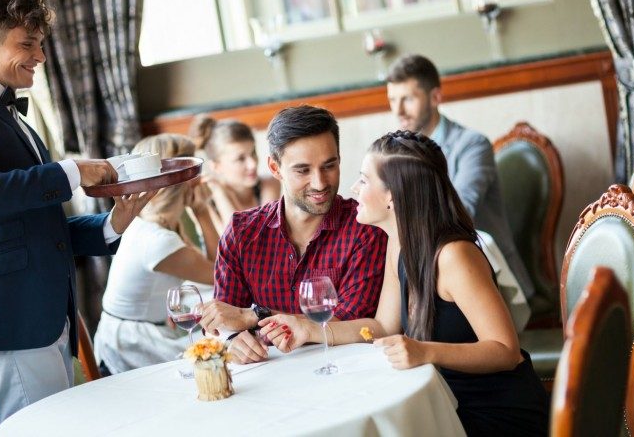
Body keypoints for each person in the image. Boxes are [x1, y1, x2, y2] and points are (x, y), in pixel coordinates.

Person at [0, 0, 155, 423]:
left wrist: (114, 223)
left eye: (40, 44)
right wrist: (74, 171)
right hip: (12, 322)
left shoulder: (17, 122)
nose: (40, 57)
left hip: (47, 318)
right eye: (27, 44)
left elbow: (41, 230)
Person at [259, 131, 549, 436]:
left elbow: (506, 350)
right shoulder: (398, 243)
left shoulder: (454, 256)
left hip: (495, 414)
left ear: (392, 196)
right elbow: (383, 326)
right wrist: (309, 329)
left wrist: (425, 351)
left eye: (365, 180)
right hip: (445, 402)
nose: (355, 189)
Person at [199, 105, 387, 364]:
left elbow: (352, 325)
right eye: (303, 170)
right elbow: (223, 318)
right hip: (267, 378)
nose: (320, 183)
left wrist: (253, 316)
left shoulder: (365, 230)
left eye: (329, 165)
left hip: (343, 373)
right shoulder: (241, 232)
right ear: (275, 168)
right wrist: (232, 340)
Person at [385, 54, 535, 300]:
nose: (398, 110)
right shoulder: (395, 154)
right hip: (430, 277)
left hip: (493, 281)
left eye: (408, 99)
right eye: (392, 99)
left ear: (436, 97)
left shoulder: (473, 144)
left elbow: (462, 209)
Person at [94, 134, 218, 374]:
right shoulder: (158, 242)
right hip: (132, 346)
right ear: (186, 180)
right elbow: (221, 273)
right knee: (223, 353)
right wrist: (202, 211)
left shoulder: (149, 223)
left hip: (137, 333)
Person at [189, 114, 280, 233]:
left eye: (253, 153)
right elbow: (233, 241)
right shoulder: (205, 201)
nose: (252, 164)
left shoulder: (269, 183)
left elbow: (263, 236)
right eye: (240, 159)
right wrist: (219, 192)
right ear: (216, 166)